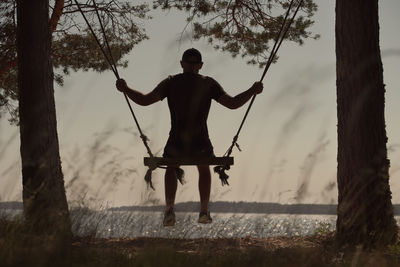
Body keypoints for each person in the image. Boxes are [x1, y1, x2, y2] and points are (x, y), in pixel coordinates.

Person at [116, 48, 263, 226]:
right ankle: (203, 211)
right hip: (200, 142)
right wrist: (252, 91)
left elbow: (145, 100)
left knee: (171, 166)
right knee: (204, 165)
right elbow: (232, 104)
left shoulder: (171, 82)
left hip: (176, 141)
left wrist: (126, 89)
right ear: (200, 66)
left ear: (182, 64)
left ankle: (169, 210)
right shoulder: (208, 83)